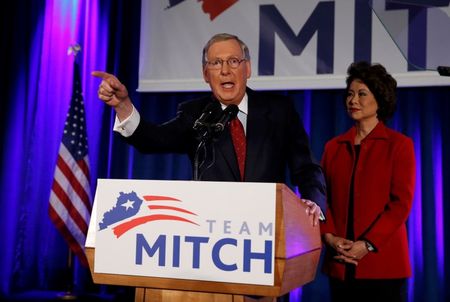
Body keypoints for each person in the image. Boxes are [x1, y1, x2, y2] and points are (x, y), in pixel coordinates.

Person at [92, 32, 326, 225]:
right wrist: (123, 106)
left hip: (268, 230)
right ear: (206, 74)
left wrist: (313, 201)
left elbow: (306, 167)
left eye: (233, 61)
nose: (225, 70)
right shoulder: (195, 114)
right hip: (212, 233)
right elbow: (153, 139)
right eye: (216, 63)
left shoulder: (279, 111)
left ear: (247, 69)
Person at [320, 61, 416, 302]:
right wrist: (330, 237)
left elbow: (400, 204)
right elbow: (322, 198)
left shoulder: (399, 145)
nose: (353, 100)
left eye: (362, 94)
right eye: (350, 94)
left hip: (382, 265)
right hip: (341, 262)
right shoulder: (333, 147)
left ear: (380, 100)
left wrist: (368, 244)